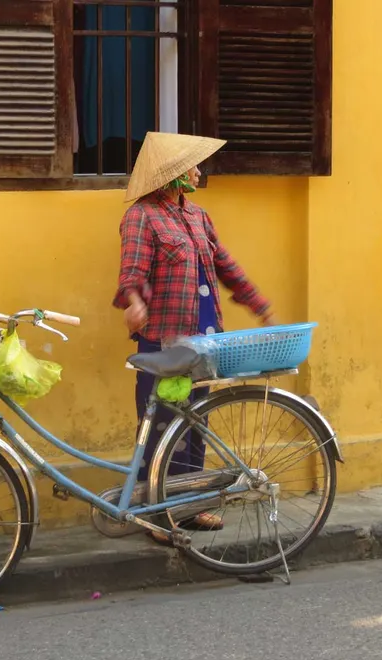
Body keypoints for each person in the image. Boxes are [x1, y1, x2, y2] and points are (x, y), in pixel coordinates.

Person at [112, 132, 276, 540]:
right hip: (165, 343)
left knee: (196, 423)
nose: (199, 171)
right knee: (162, 425)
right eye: (193, 166)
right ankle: (158, 513)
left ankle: (193, 507)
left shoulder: (199, 216)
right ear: (172, 175)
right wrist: (134, 302)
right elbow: (133, 272)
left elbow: (225, 264)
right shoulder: (142, 217)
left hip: (205, 339)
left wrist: (257, 303)